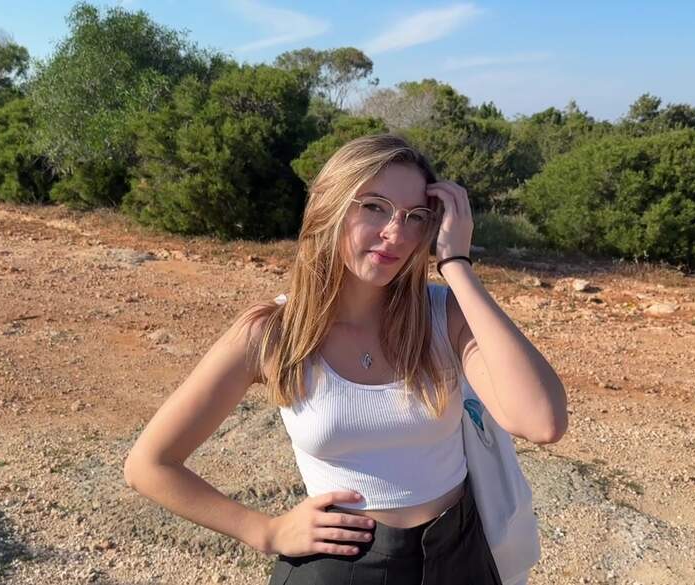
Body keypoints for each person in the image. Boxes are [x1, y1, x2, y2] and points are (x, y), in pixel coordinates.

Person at [123, 133, 568, 585]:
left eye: (415, 216)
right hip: (342, 568)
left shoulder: (444, 315)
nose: (396, 233)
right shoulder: (273, 334)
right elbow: (149, 464)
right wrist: (264, 531)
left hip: (459, 559)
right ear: (328, 207)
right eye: (374, 206)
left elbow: (541, 422)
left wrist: (456, 264)